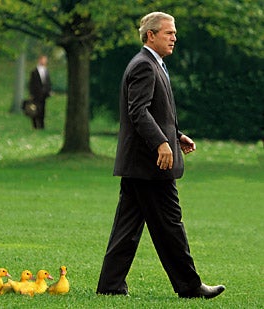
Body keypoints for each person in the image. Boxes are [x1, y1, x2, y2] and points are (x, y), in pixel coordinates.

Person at [96, 12, 225, 299]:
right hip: (150, 164)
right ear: (150, 35)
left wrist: (175, 137)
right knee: (170, 225)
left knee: (127, 227)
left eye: (174, 33)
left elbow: (153, 112)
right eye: (168, 33)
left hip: (140, 164)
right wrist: (160, 144)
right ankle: (191, 287)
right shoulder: (144, 65)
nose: (174, 37)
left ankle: (110, 285)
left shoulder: (154, 64)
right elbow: (137, 111)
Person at [29, 55, 52, 129]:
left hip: (44, 94)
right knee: (35, 109)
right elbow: (32, 83)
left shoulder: (46, 71)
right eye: (43, 60)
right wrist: (31, 93)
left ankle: (42, 125)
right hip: (36, 94)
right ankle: (35, 125)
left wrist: (48, 91)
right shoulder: (34, 71)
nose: (44, 61)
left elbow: (48, 82)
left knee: (43, 110)